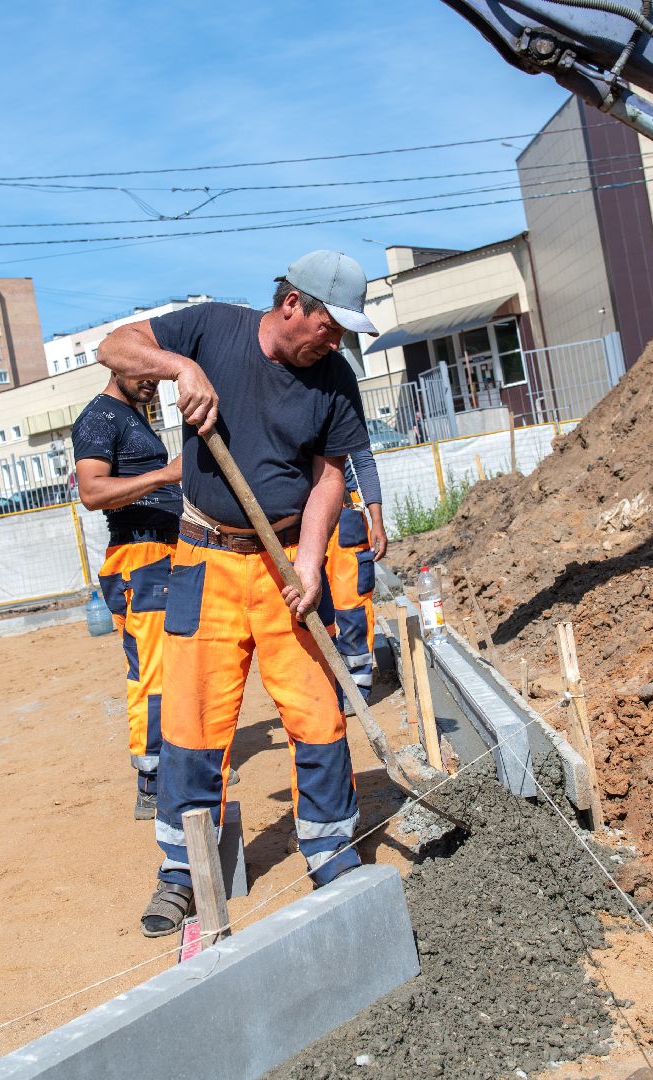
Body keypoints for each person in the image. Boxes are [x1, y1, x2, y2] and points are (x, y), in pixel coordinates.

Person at [97, 249, 377, 937]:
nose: (335, 341)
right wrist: (181, 369)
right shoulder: (211, 329)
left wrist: (310, 562)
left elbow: (329, 475)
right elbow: (115, 345)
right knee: (191, 725)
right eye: (329, 326)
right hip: (204, 560)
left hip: (283, 562)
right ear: (293, 306)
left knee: (318, 713)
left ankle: (329, 848)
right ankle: (182, 875)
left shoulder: (335, 379)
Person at [71, 373, 182, 820]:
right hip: (141, 557)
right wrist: (168, 474)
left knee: (177, 666)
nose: (154, 383)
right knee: (153, 672)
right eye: (147, 374)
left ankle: (176, 765)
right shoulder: (99, 418)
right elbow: (92, 491)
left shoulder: (132, 415)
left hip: (162, 554)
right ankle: (152, 783)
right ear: (119, 366)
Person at [319, 448, 387, 709]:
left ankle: (356, 688)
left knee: (352, 607)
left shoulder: (340, 407)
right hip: (295, 517)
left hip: (343, 511)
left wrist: (376, 519)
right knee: (308, 607)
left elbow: (362, 458)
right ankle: (326, 685)